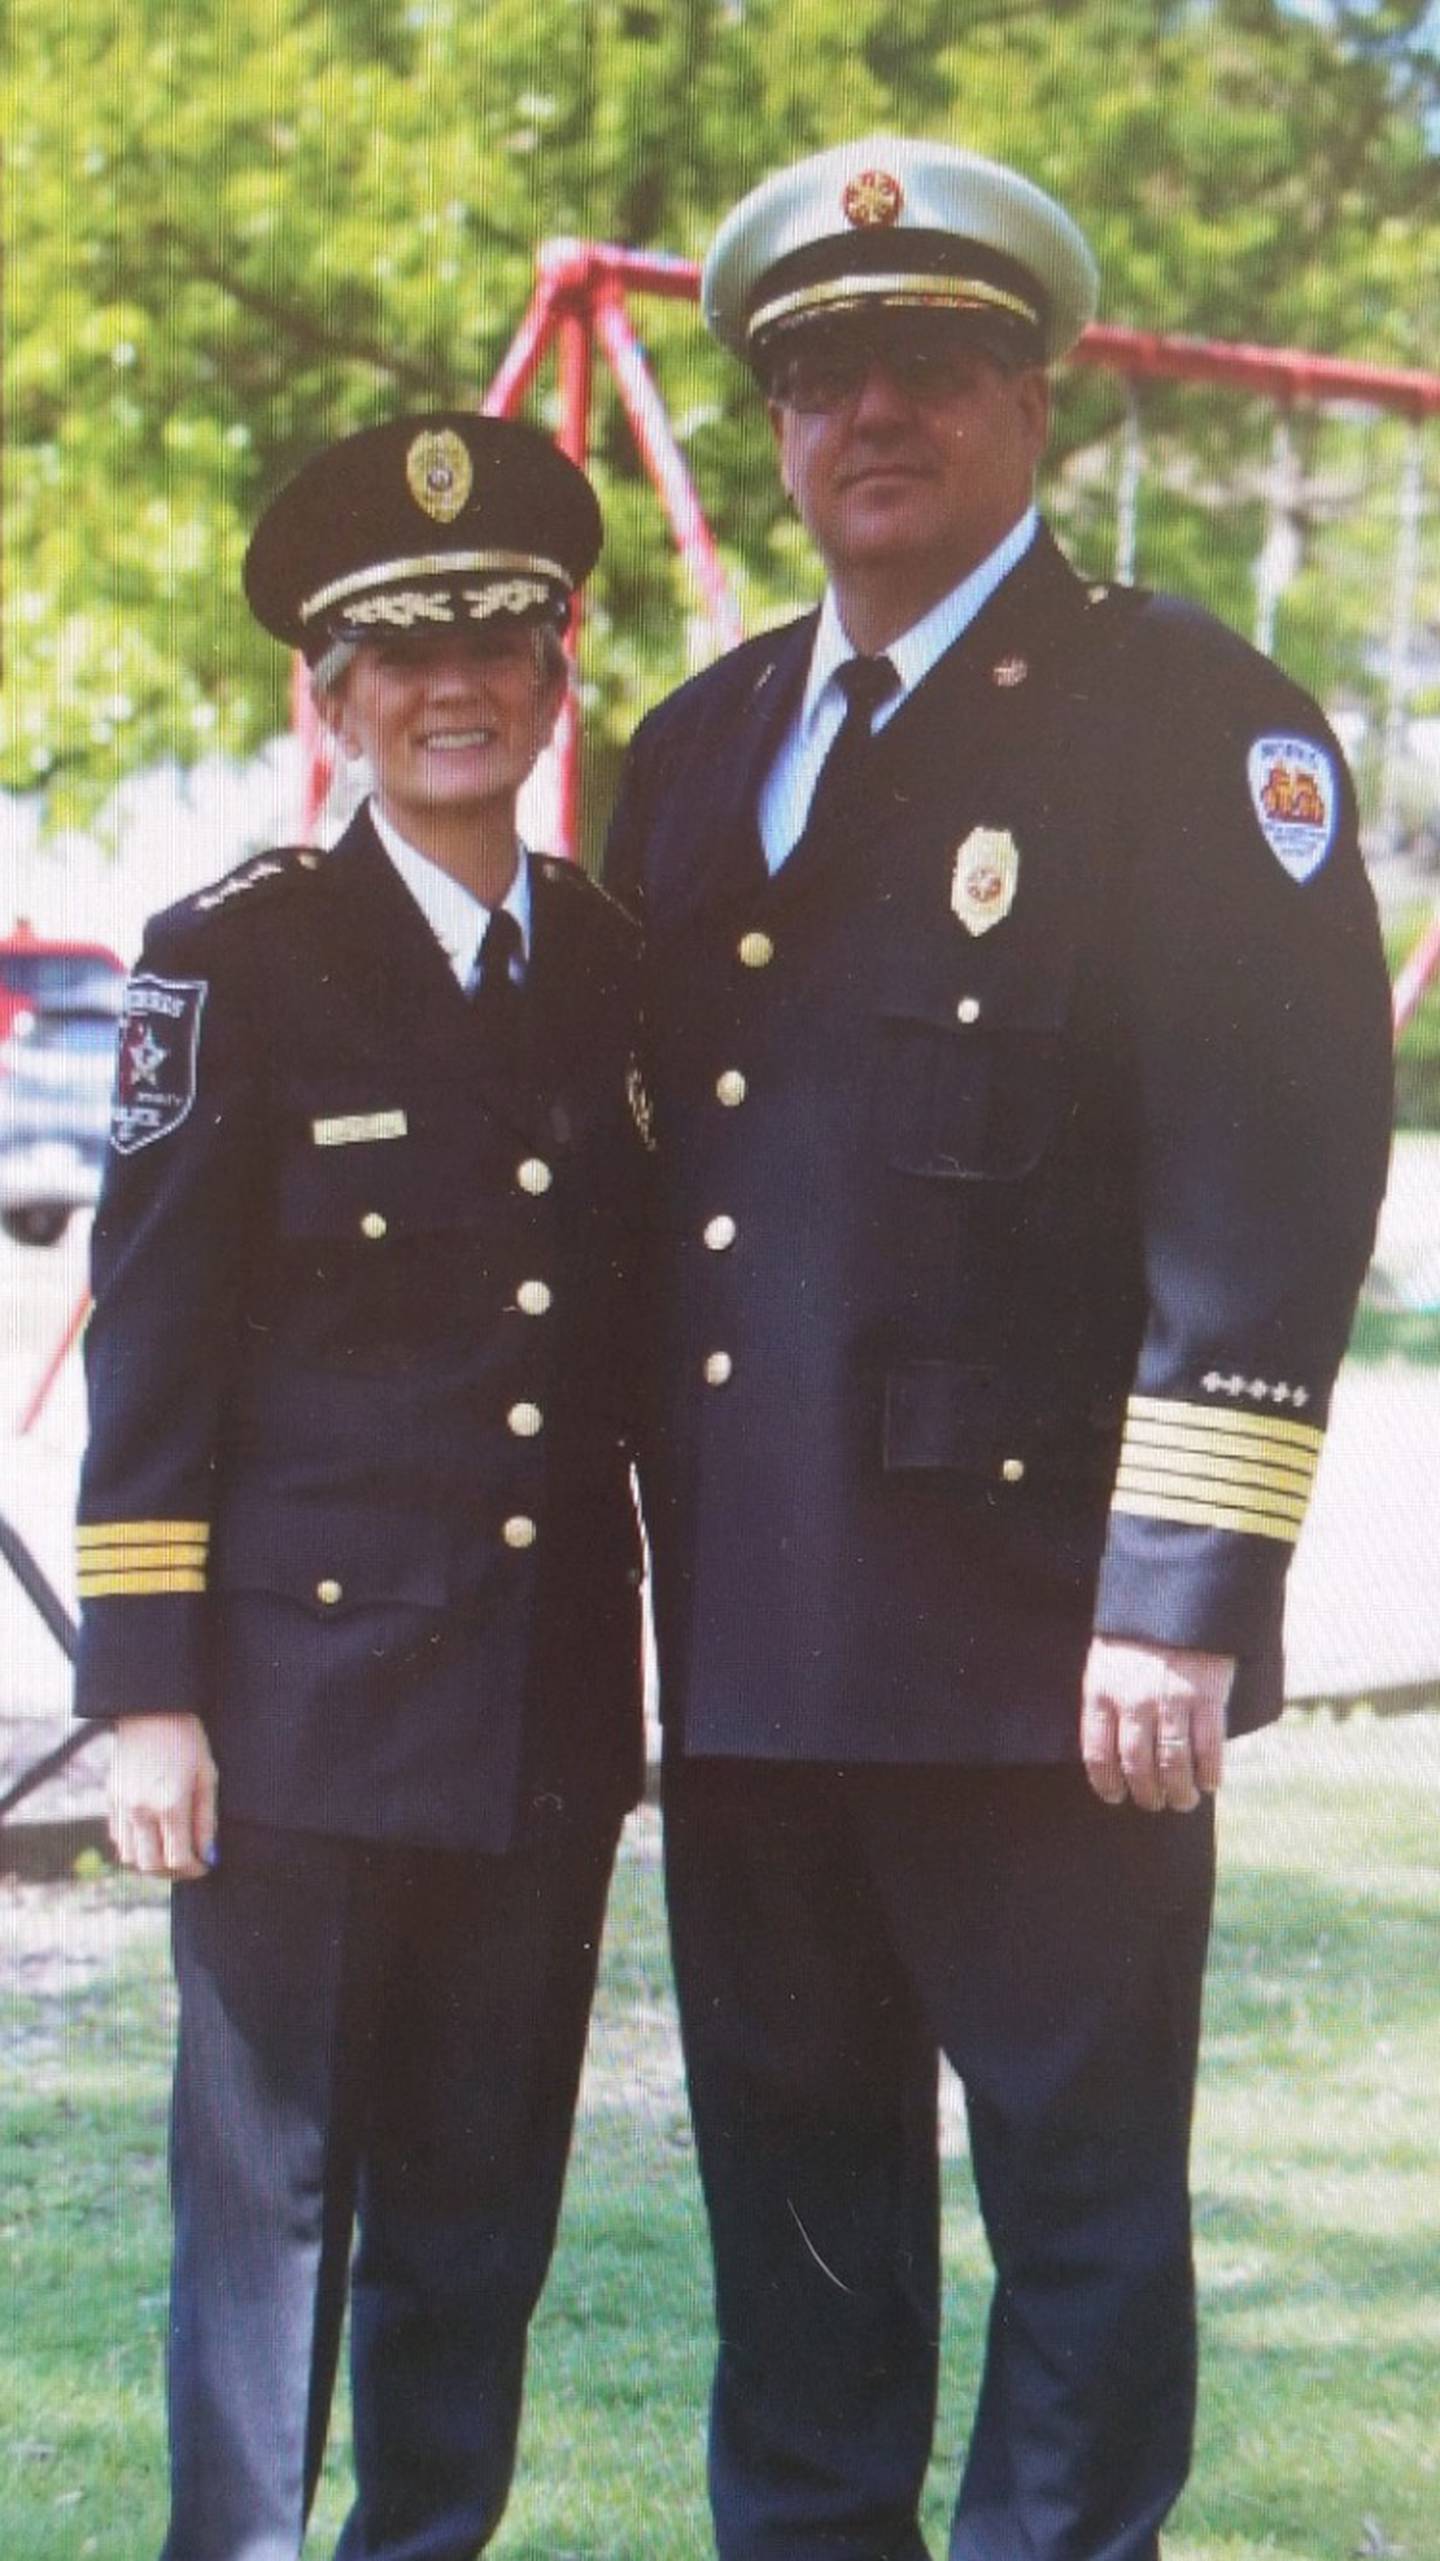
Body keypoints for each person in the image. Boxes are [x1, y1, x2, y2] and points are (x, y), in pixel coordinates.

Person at [604, 136, 1394, 2561]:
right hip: (754, 1648)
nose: (878, 416)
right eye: (824, 375)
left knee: (1077, 2230)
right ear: (770, 429)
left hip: (1049, 1651)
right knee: (800, 2243)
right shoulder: (697, 745)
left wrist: (1179, 1599)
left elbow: (1271, 1179)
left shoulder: (1190, 727)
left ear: (1033, 394)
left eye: (934, 365)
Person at [74, 410, 648, 2561]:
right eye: (397, 652)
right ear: (328, 697)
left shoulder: (606, 962)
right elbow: (154, 1344)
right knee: (272, 2235)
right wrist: (149, 1694)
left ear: (560, 664)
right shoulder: (230, 955)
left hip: (539, 1727)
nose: (452, 685)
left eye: (496, 632)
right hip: (294, 1730)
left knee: (478, 2225)